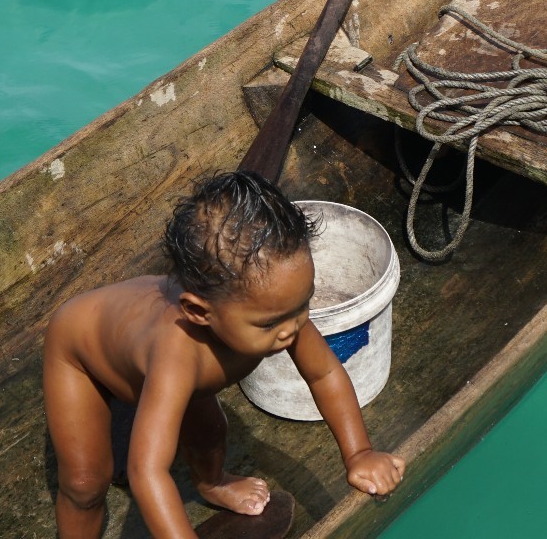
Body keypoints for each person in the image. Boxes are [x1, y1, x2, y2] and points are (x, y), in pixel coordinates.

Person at [42, 172, 405, 538]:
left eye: (303, 303)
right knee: (86, 483)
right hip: (80, 354)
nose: (292, 329)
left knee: (210, 431)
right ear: (200, 313)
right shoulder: (177, 355)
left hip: (151, 357)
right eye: (269, 323)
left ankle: (211, 484)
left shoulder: (283, 313)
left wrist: (359, 453)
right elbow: (147, 471)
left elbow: (324, 374)